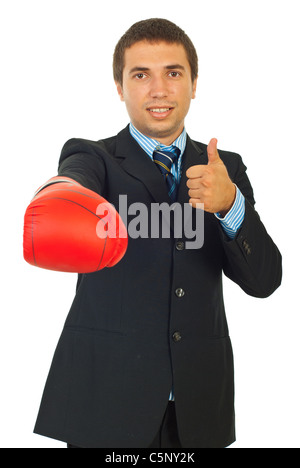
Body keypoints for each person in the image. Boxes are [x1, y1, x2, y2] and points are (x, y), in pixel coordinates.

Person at [23, 18, 282, 449]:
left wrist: (230, 204)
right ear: (120, 87)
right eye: (140, 74)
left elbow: (265, 281)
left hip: (198, 405)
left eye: (173, 73)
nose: (158, 89)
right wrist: (61, 195)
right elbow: (73, 180)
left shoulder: (226, 170)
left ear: (194, 83)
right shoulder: (94, 157)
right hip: (107, 400)